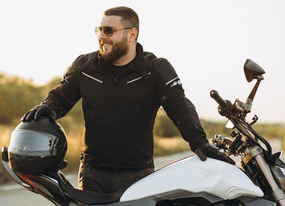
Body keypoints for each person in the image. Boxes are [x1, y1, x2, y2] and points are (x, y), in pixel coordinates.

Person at [22, 6, 233, 194]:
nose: (102, 36)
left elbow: (179, 105)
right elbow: (61, 96)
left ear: (132, 34)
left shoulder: (155, 69)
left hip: (138, 176)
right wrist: (47, 107)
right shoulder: (85, 66)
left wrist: (199, 142)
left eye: (109, 31)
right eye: (100, 30)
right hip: (92, 174)